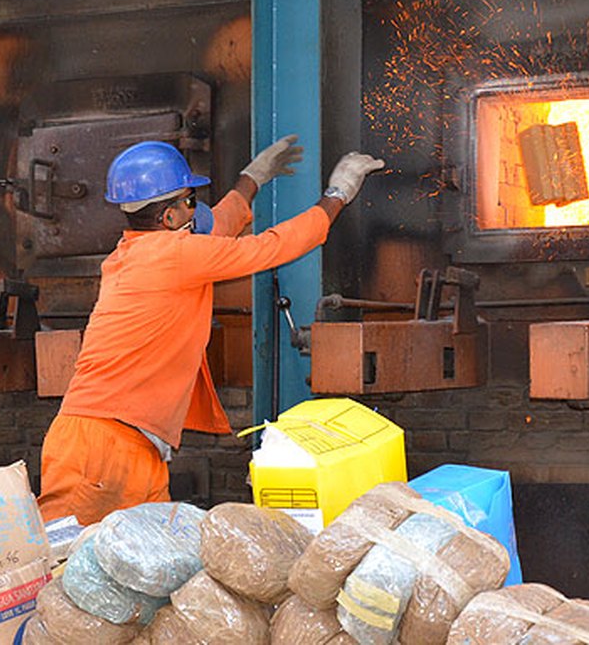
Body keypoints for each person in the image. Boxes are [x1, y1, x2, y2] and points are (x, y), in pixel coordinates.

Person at [37, 135, 384, 525]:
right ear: (168, 217)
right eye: (189, 200)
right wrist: (337, 194)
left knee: (144, 570)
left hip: (120, 441)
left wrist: (252, 178)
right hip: (103, 446)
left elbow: (216, 226)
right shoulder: (175, 256)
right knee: (67, 568)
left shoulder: (146, 251)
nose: (196, 207)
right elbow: (272, 247)